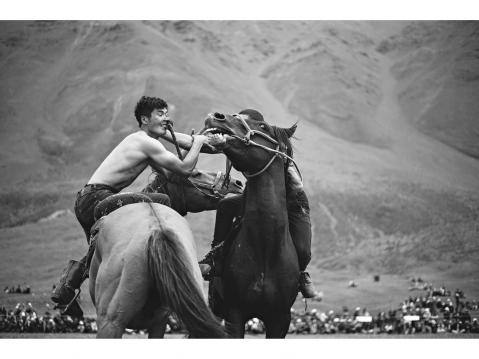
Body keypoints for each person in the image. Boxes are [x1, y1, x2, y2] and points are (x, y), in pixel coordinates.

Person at [51, 96, 223, 315]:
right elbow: (184, 169)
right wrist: (198, 142)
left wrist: (204, 142)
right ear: (144, 119)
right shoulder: (145, 142)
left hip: (91, 198)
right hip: (96, 198)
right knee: (162, 202)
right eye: (160, 114)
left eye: (166, 113)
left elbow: (172, 173)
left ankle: (69, 286)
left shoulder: (147, 143)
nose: (166, 118)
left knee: (100, 255)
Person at [199, 109, 317, 298]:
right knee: (226, 205)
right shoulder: (237, 142)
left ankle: (301, 273)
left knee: (303, 250)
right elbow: (204, 146)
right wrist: (166, 136)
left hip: (292, 201)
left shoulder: (267, 145)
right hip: (256, 197)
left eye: (244, 122)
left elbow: (293, 186)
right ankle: (215, 257)